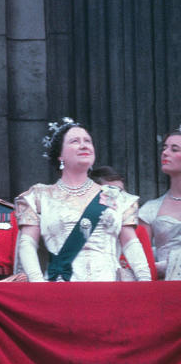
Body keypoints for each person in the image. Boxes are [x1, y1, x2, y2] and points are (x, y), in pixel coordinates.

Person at [15, 118, 150, 282]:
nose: (84, 145)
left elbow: (131, 244)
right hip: (61, 287)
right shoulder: (39, 197)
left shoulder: (116, 197)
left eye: (88, 141)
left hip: (110, 288)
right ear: (60, 155)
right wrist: (38, 283)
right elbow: (27, 244)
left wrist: (145, 280)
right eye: (75, 141)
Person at [90, 165, 157, 281]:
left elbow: (150, 271)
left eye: (121, 191)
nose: (117, 197)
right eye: (110, 191)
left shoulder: (138, 231)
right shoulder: (80, 225)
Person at [140, 129, 181, 280]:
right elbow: (140, 260)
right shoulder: (149, 210)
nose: (165, 153)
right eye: (164, 148)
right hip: (166, 288)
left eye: (174, 149)